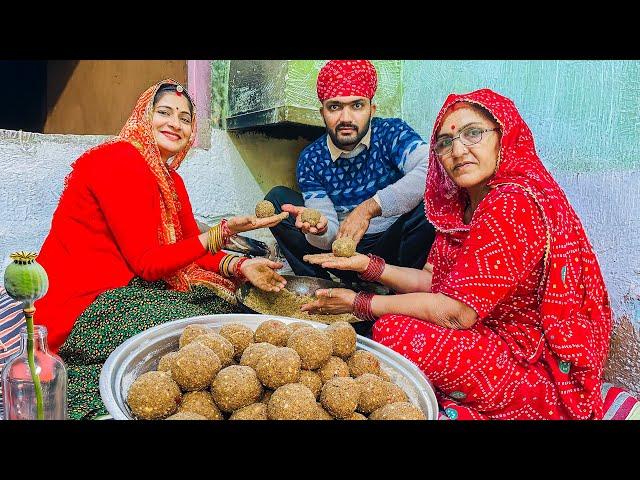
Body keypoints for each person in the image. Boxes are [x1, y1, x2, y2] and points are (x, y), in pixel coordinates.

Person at [301, 88, 613, 419]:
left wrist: (360, 303)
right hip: (487, 329)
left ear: (502, 135)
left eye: (473, 133)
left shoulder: (511, 203)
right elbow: (432, 282)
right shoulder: (460, 207)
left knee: (393, 330)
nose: (458, 150)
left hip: (532, 358)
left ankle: (532, 403)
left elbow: (457, 313)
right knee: (394, 324)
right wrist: (366, 265)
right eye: (445, 142)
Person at [34, 79, 288, 419]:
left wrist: (240, 266)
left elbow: (187, 248)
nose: (174, 123)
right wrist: (221, 232)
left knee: (214, 308)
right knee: (196, 333)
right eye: (164, 112)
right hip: (79, 305)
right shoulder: (118, 160)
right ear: (143, 115)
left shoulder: (169, 180)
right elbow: (148, 264)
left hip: (124, 289)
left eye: (185, 118)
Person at [265, 60, 436, 283]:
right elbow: (329, 236)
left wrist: (369, 208)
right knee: (277, 199)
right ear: (322, 112)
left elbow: (433, 169)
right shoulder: (311, 158)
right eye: (335, 107)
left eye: (357, 106)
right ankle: (318, 286)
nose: (346, 118)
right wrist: (318, 230)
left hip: (392, 249)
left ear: (371, 110)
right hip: (340, 249)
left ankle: (398, 292)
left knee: (432, 200)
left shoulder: (391, 133)